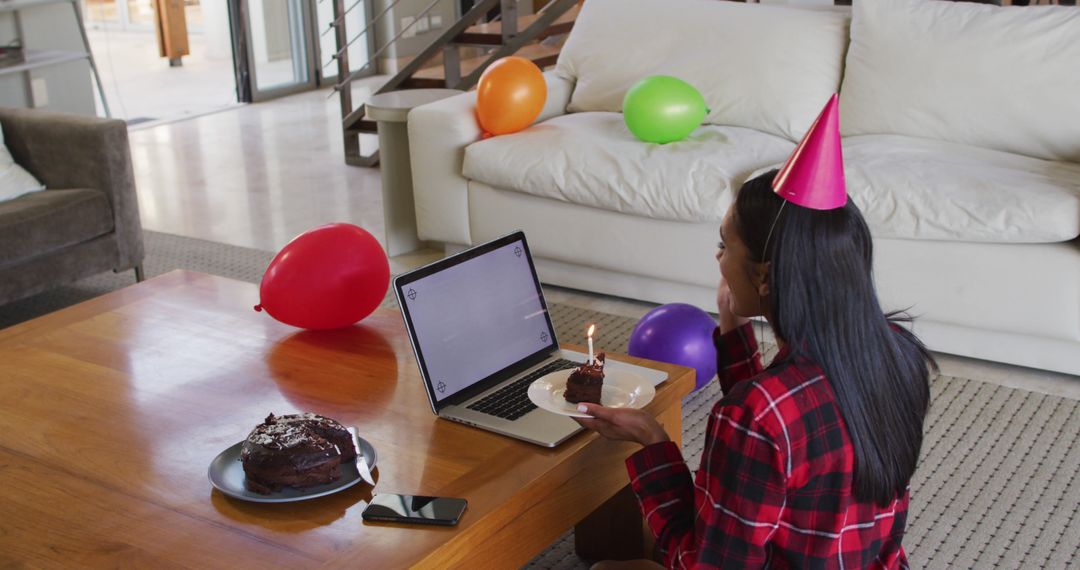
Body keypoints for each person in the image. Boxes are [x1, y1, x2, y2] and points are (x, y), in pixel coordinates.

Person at [576, 95, 937, 568]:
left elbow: (706, 564)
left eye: (724, 245)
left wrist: (654, 444)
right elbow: (778, 418)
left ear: (764, 277)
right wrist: (734, 328)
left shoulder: (755, 415)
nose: (718, 259)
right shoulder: (897, 353)